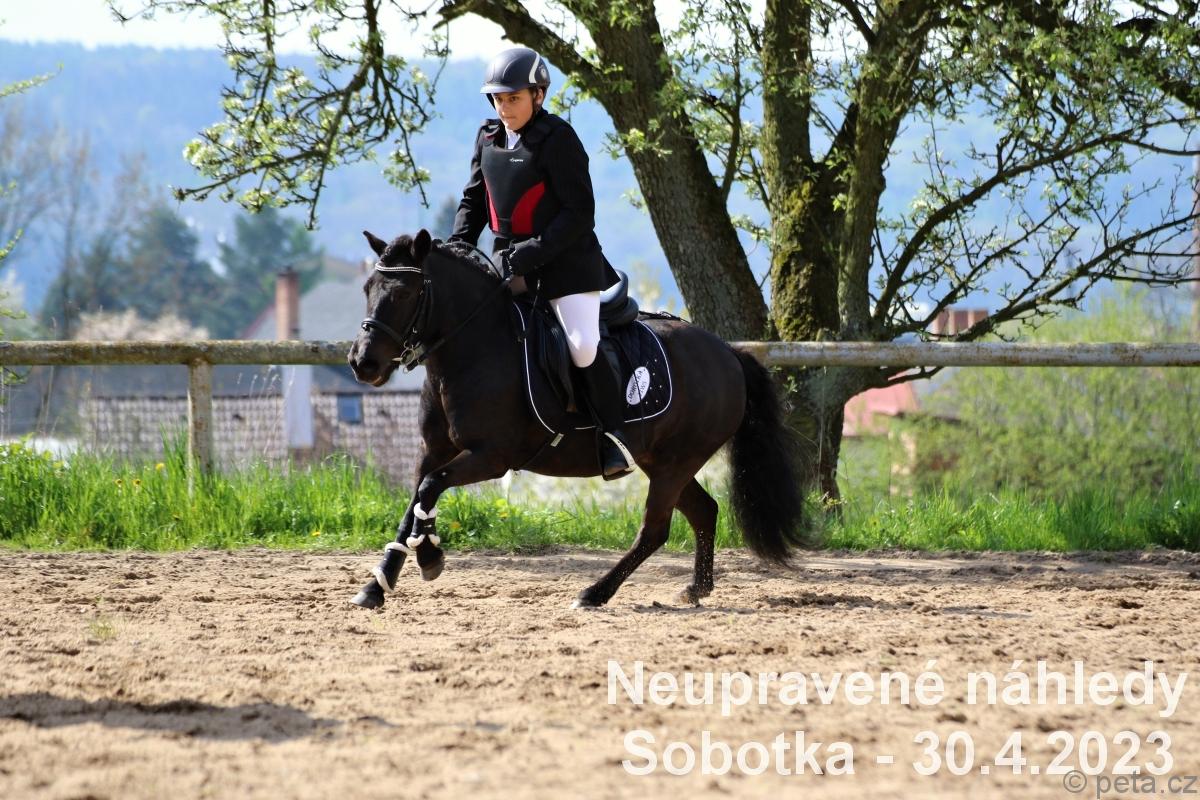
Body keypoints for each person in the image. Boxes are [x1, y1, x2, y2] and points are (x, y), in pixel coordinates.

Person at [448, 47, 634, 479]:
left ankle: (614, 437)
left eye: (513, 98)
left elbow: (579, 214)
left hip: (567, 268)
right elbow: (474, 201)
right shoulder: (487, 138)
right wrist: (458, 246)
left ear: (538, 95)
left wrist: (529, 252)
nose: (504, 108)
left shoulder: (559, 139)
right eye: (498, 99)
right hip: (509, 265)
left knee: (582, 345)